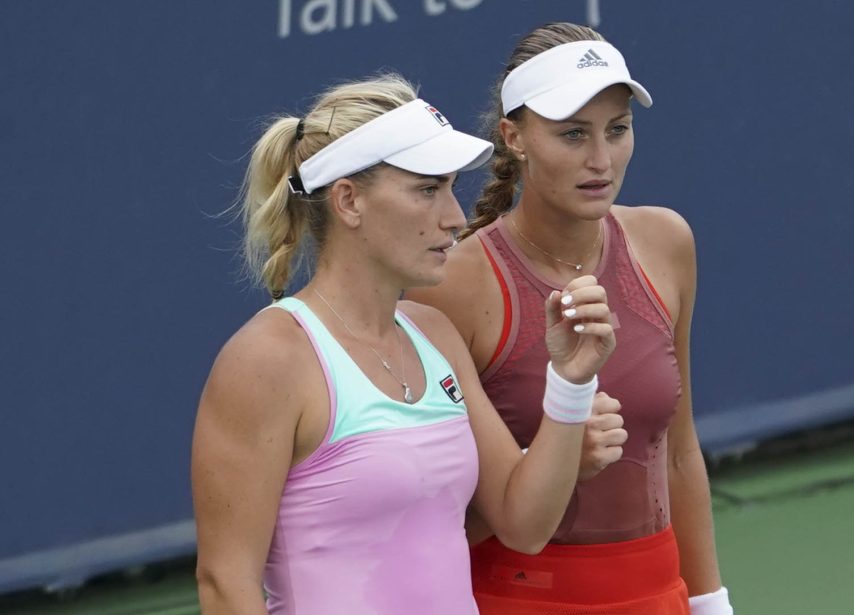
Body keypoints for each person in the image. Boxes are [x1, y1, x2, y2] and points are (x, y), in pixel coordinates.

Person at [190, 73, 620, 615]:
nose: (455, 217)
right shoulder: (268, 360)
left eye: (449, 189)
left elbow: (524, 523)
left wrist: (569, 383)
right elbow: (226, 583)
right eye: (426, 190)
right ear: (348, 200)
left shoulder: (433, 334)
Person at [406, 23, 733, 614]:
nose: (601, 161)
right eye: (573, 135)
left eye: (618, 130)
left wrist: (711, 602)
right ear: (515, 137)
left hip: (660, 595)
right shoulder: (451, 286)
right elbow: (424, 520)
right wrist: (551, 467)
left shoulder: (667, 242)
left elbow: (680, 453)